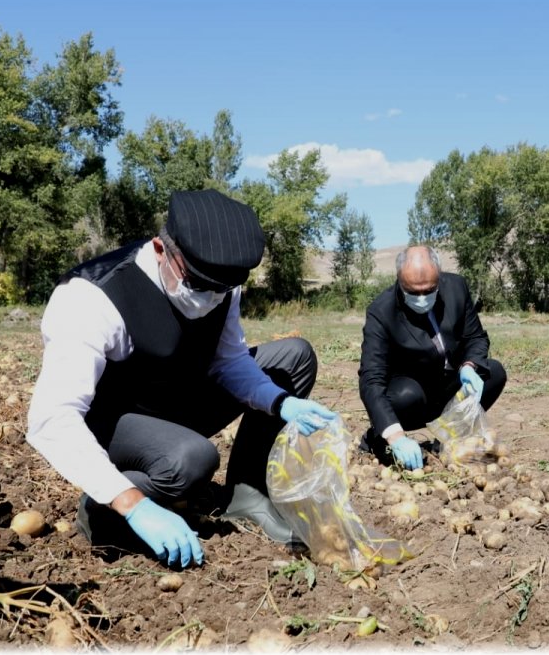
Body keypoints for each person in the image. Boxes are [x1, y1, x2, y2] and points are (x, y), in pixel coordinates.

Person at [27, 190, 338, 569]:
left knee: (292, 357)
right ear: (160, 249)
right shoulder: (92, 297)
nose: (209, 299)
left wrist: (278, 401)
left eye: (220, 290)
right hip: (114, 420)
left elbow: (229, 361)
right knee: (190, 459)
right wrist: (129, 501)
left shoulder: (221, 281)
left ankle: (247, 495)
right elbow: (52, 420)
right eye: (198, 285)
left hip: (175, 397)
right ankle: (104, 510)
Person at [358, 245, 507, 469]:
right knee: (405, 396)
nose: (421, 298)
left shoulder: (457, 288)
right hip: (411, 392)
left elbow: (476, 338)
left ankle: (448, 439)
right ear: (399, 280)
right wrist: (395, 436)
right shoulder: (381, 311)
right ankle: (378, 438)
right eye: (413, 292)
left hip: (450, 383)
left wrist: (469, 365)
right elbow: (371, 379)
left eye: (429, 290)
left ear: (438, 277)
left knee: (493, 372)